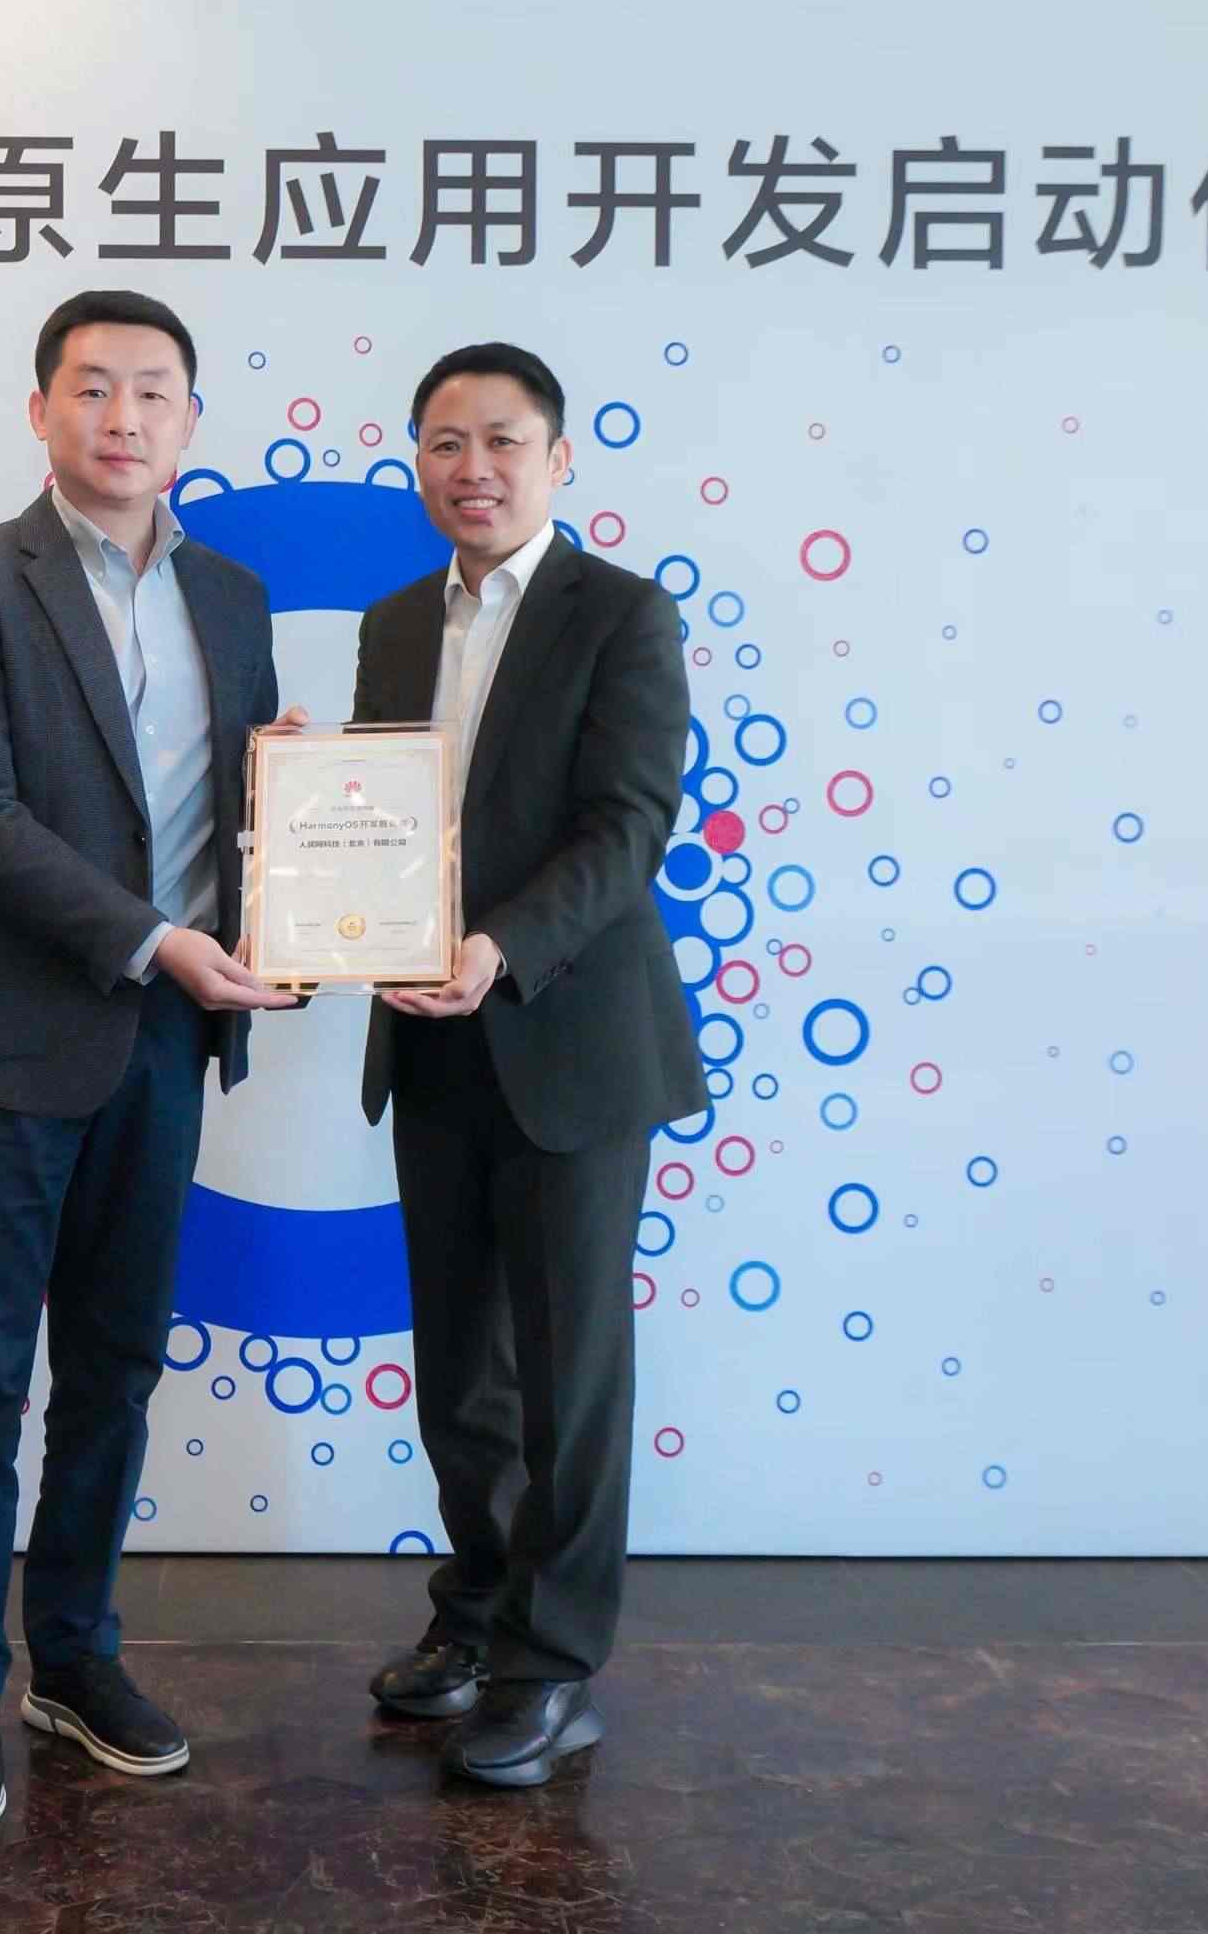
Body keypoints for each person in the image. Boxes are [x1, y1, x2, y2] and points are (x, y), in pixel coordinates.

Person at [0, 288, 299, 1829]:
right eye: (91, 387)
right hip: (10, 1039)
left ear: (189, 419)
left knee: (117, 1370)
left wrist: (309, 840)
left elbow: (240, 808)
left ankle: (71, 1657)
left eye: (151, 390)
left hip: (164, 1043)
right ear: (38, 409)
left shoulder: (234, 596)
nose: (121, 416)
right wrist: (151, 939)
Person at [349, 340, 703, 1787]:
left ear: (557, 460)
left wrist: (501, 947)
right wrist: (306, 803)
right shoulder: (390, 623)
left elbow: (628, 826)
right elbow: (376, 821)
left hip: (571, 1040)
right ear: (416, 464)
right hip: (429, 1039)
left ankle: (555, 1667)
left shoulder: (621, 614)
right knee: (461, 1370)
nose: (473, 468)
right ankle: (479, 1612)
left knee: (570, 1373)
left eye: (502, 440)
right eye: (444, 442)